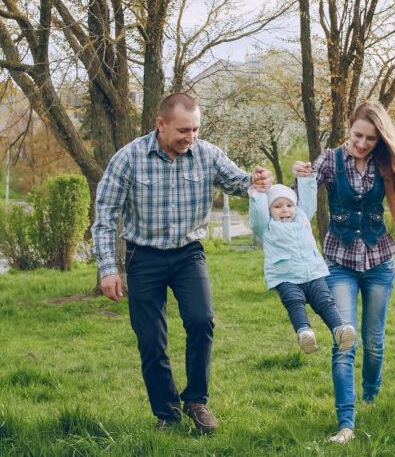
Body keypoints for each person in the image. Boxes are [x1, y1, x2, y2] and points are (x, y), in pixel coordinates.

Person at [91, 92, 273, 434]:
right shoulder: (128, 158)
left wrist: (256, 180)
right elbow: (104, 216)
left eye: (195, 129)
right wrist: (108, 268)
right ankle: (167, 414)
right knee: (150, 338)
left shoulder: (206, 154)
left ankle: (196, 401)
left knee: (201, 320)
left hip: (189, 253)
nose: (191, 138)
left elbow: (238, 180)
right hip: (142, 256)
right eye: (183, 131)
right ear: (161, 124)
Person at [292, 100, 395, 444]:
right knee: (345, 340)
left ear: (380, 140)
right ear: (348, 128)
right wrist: (299, 178)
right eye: (358, 135)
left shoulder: (386, 165)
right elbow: (295, 205)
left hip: (379, 264)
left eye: (371, 139)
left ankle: (371, 397)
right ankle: (346, 424)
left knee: (374, 343)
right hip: (338, 263)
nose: (362, 144)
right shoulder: (329, 161)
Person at [248, 176, 357, 354]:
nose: (285, 210)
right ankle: (305, 333)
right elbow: (258, 214)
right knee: (294, 302)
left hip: (313, 273)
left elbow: (307, 200)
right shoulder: (266, 226)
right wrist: (258, 192)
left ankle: (339, 330)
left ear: (295, 207)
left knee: (326, 301)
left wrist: (305, 179)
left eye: (289, 205)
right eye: (277, 206)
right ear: (268, 210)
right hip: (286, 277)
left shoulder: (302, 218)